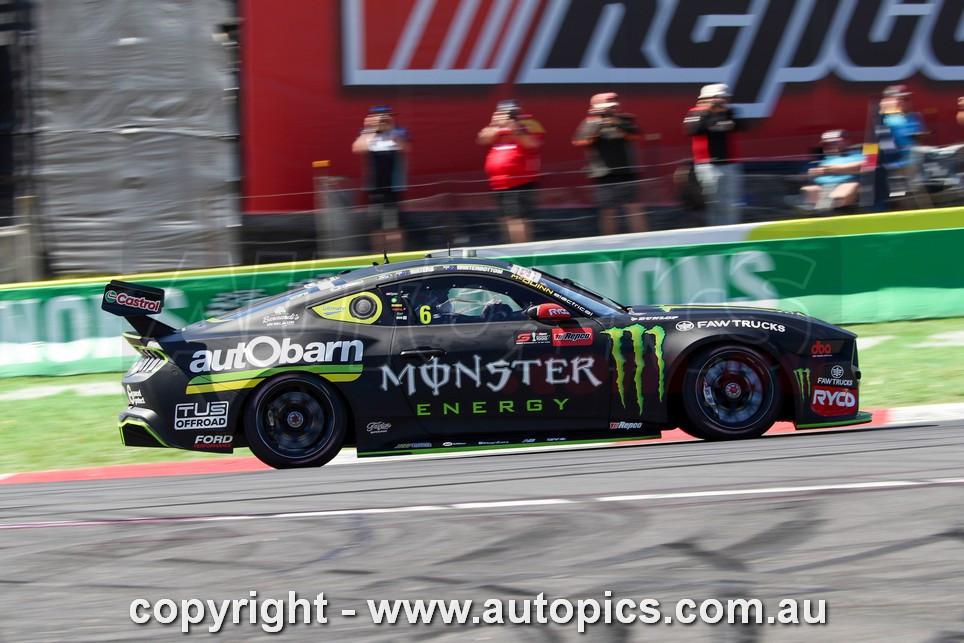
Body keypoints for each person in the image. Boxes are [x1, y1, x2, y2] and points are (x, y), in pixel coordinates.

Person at [571, 92, 646, 235]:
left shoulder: (625, 119)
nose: (611, 109)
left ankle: (642, 238)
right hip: (603, 173)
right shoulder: (589, 122)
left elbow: (634, 136)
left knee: (633, 207)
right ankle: (609, 241)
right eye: (608, 106)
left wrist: (615, 122)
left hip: (626, 170)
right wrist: (597, 124)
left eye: (613, 106)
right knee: (608, 210)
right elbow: (580, 141)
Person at [477, 99, 545, 243]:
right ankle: (510, 247)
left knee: (517, 218)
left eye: (512, 112)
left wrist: (514, 128)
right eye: (504, 112)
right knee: (505, 217)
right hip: (498, 182)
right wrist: (495, 124)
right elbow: (482, 139)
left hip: (520, 180)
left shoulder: (530, 124)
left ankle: (522, 250)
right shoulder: (494, 127)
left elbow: (532, 143)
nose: (508, 115)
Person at [683, 83, 743, 226]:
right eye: (717, 98)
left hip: (730, 163)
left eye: (724, 98)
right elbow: (692, 130)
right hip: (707, 164)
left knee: (730, 202)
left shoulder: (729, 112)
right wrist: (709, 111)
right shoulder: (696, 113)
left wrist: (724, 114)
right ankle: (714, 231)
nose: (722, 101)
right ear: (707, 98)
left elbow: (742, 126)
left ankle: (732, 231)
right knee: (712, 202)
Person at [352, 105, 410, 247]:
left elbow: (406, 148)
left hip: (394, 186)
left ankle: (397, 254)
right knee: (376, 224)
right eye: (377, 116)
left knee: (394, 224)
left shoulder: (399, 132)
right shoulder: (367, 134)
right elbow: (357, 148)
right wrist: (370, 129)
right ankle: (378, 256)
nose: (381, 119)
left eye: (385, 116)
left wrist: (390, 129)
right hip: (374, 186)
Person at [875, 85, 929, 208]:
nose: (905, 102)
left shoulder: (914, 116)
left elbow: (919, 137)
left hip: (914, 164)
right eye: (901, 99)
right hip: (894, 165)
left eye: (907, 99)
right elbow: (878, 141)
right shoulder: (884, 118)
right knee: (900, 195)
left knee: (917, 193)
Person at [794, 130, 864, 214]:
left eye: (835, 142)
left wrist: (831, 170)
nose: (830, 146)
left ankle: (830, 210)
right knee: (808, 190)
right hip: (821, 187)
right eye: (826, 144)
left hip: (846, 185)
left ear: (846, 142)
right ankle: (813, 213)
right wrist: (809, 174)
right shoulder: (819, 159)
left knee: (848, 188)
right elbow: (802, 176)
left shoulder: (859, 154)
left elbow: (866, 166)